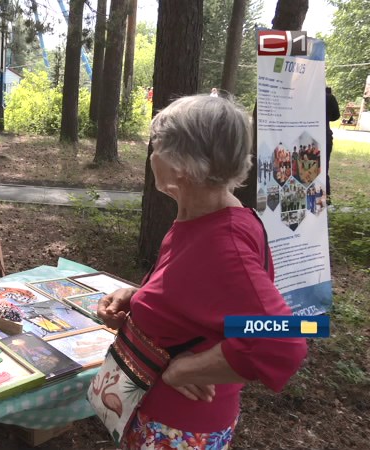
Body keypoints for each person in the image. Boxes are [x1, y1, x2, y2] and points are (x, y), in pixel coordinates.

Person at [97, 95, 307, 450]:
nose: (151, 157)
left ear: (180, 163)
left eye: (157, 147)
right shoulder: (203, 218)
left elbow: (287, 337)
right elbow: (201, 294)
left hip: (177, 431)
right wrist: (138, 297)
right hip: (157, 415)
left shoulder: (225, 242)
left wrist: (185, 370)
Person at [326, 87, 340, 201]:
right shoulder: (329, 97)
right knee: (323, 169)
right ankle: (326, 199)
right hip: (324, 137)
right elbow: (336, 116)